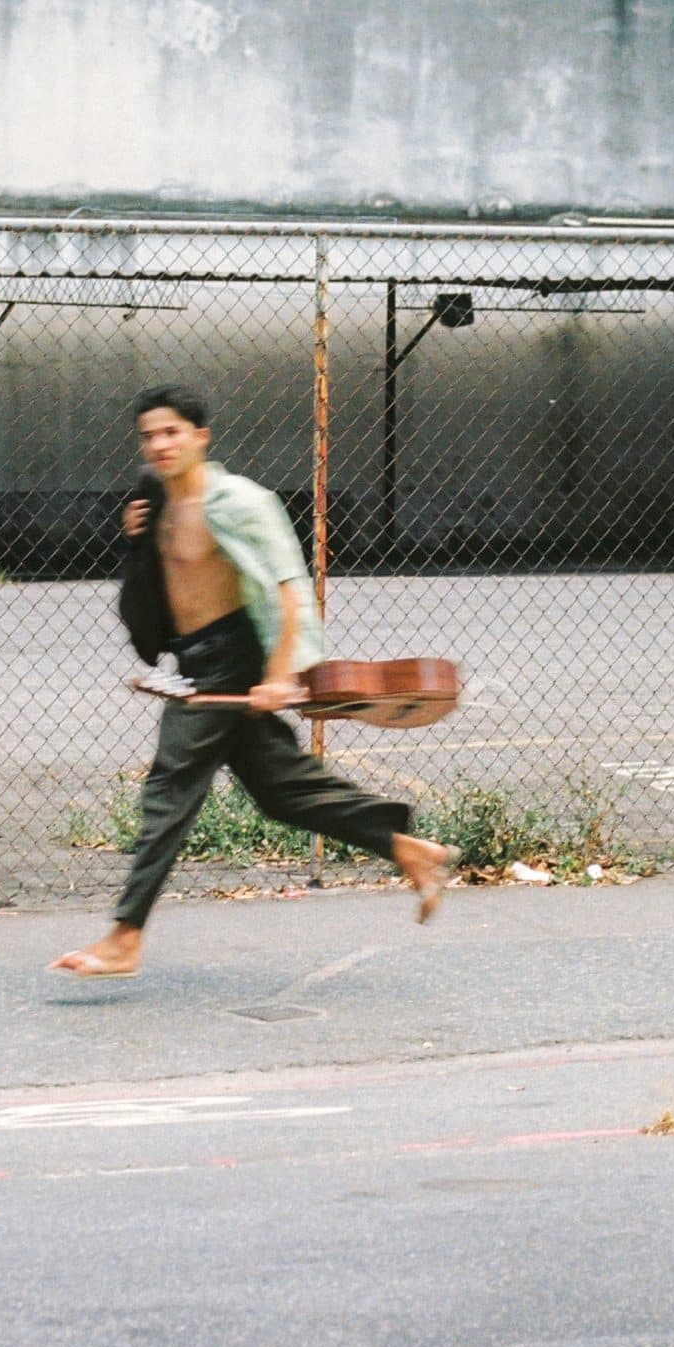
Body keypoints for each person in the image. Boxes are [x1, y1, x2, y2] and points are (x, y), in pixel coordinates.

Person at [51, 386, 455, 978]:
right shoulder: (155, 503)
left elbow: (289, 593)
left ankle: (124, 937)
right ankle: (409, 848)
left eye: (172, 432)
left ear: (200, 437)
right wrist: (136, 540)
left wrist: (275, 676)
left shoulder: (241, 502)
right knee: (281, 789)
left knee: (168, 792)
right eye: (149, 435)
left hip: (234, 661)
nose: (160, 444)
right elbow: (153, 594)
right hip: (195, 663)